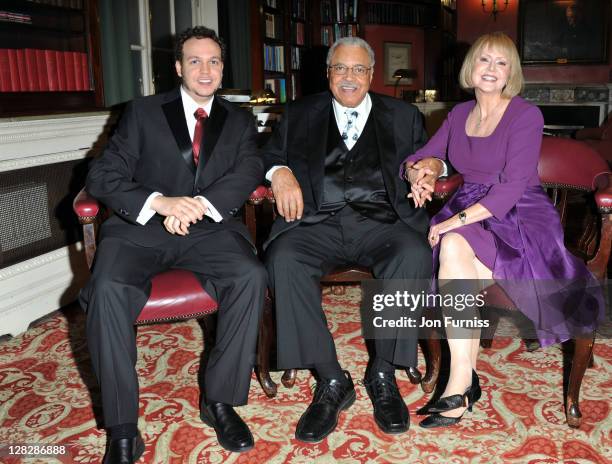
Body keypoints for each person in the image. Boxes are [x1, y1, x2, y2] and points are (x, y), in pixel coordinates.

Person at [80, 26, 265, 462]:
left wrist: (198, 205)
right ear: (179, 67)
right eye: (195, 61)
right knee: (107, 289)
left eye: (214, 61)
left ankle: (218, 400)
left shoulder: (238, 120)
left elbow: (248, 170)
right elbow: (103, 175)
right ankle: (123, 429)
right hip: (141, 230)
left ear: (223, 69)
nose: (206, 70)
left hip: (209, 230)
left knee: (251, 276)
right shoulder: (142, 113)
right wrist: (160, 203)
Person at [401, 31, 603, 429]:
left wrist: (448, 220)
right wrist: (419, 173)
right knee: (454, 253)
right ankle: (462, 382)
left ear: (512, 72)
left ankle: (459, 385)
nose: (491, 69)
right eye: (484, 60)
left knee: (452, 257)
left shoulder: (526, 115)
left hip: (520, 213)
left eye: (501, 63)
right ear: (470, 68)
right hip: (470, 208)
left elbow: (510, 188)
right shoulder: (458, 115)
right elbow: (428, 156)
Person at [262, 36, 444, 442]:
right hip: (315, 223)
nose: (349, 77)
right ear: (328, 73)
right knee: (283, 259)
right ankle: (330, 378)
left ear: (371, 75)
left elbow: (429, 156)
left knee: (413, 253)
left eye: (358, 70)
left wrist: (428, 167)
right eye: (340, 68)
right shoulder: (298, 113)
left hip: (381, 221)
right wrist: (279, 172)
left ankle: (382, 371)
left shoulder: (401, 115)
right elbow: (267, 154)